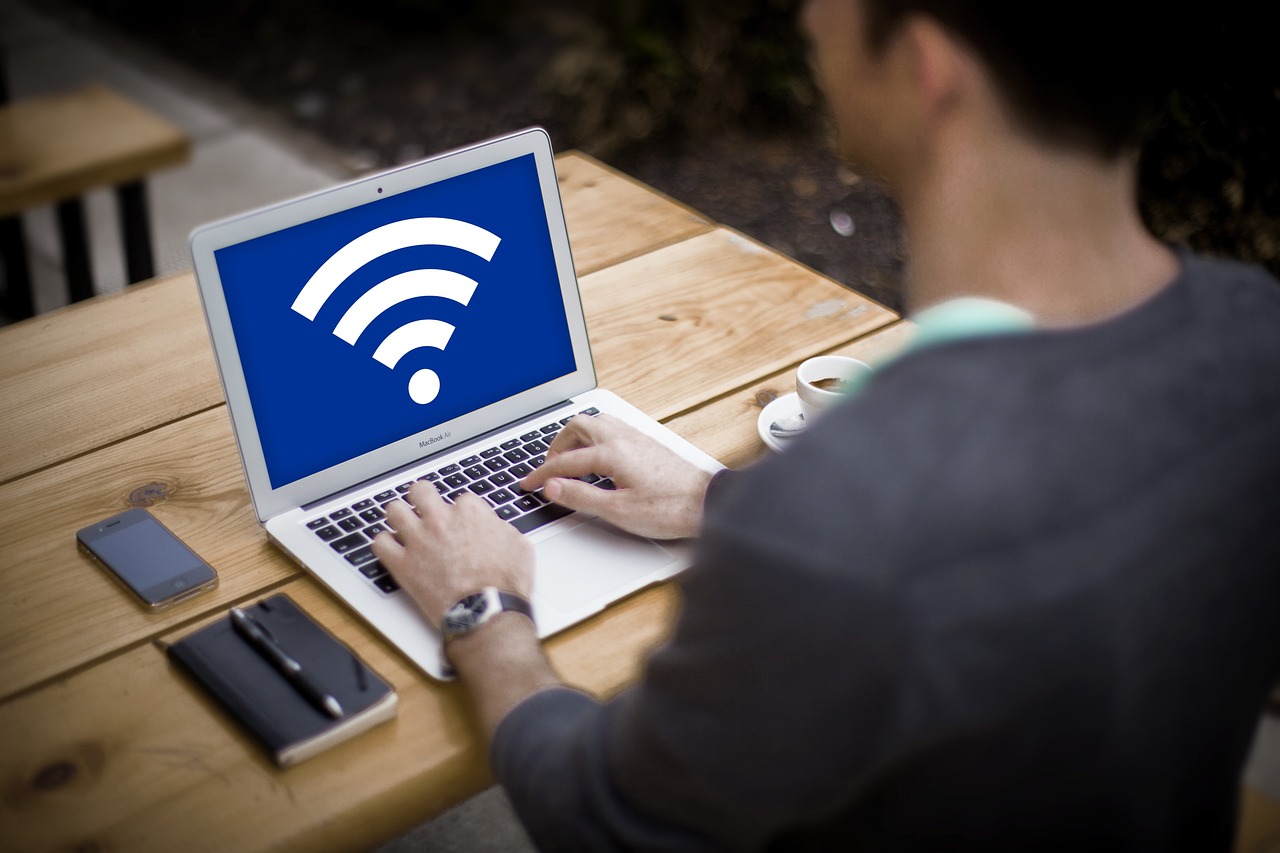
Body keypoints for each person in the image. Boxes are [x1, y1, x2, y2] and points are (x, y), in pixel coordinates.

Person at [373, 0, 1280, 848]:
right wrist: (716, 497)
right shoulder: (1255, 338)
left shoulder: (844, 515)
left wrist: (484, 609)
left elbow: (599, 817)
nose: (807, 13)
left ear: (928, 66)